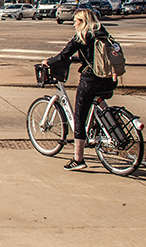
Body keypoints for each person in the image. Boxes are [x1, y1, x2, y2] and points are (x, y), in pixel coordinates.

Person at [42, 9, 117, 170]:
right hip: (109, 79)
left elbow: (63, 54)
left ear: (82, 22)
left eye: (75, 21)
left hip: (91, 80)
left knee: (79, 119)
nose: (74, 24)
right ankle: (113, 127)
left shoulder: (81, 36)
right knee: (98, 101)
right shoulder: (102, 33)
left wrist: (49, 62)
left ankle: (78, 159)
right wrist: (77, 59)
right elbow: (94, 57)